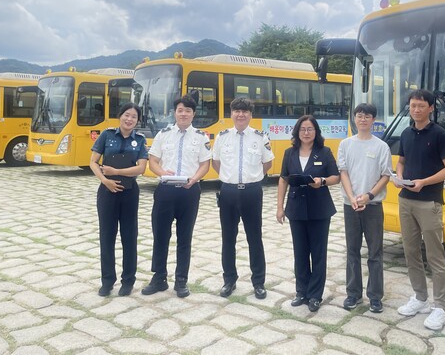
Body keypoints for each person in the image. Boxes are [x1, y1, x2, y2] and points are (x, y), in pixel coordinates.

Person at [393, 89, 445, 331]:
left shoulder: (439, 134)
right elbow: (401, 161)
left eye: (421, 106)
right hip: (405, 199)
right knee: (410, 252)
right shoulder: (406, 133)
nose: (416, 109)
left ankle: (440, 308)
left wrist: (424, 182)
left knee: (435, 255)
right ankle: (420, 298)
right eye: (413, 105)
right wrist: (399, 177)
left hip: (429, 202)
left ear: (431, 108)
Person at [141, 95, 211, 298]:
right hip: (165, 191)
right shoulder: (163, 134)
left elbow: (205, 164)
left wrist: (195, 179)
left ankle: (181, 280)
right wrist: (162, 173)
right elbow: (153, 161)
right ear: (175, 113)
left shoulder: (201, 137)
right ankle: (159, 278)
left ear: (193, 114)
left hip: (189, 191)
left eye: (188, 111)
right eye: (180, 110)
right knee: (160, 235)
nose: (184, 114)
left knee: (184, 237)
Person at [212, 97, 274, 299]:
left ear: (250, 115)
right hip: (228, 192)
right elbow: (216, 162)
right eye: (237, 111)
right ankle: (229, 279)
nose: (240, 115)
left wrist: (252, 178)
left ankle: (259, 282)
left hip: (252, 192)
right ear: (231, 114)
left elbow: (267, 164)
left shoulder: (260, 137)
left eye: (245, 111)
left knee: (254, 238)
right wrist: (229, 178)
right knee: (228, 238)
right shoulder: (222, 137)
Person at [276, 115, 340, 312]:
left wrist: (322, 181)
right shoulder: (289, 153)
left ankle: (315, 295)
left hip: (319, 208)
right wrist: (280, 207)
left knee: (318, 253)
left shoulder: (324, 152)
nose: (306, 133)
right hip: (296, 208)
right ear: (297, 132)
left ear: (316, 132)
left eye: (310, 129)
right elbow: (283, 179)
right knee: (300, 252)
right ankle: (301, 292)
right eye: (302, 129)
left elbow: (336, 177)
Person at [337, 103, 391, 313]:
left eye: (367, 116)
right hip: (350, 204)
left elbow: (385, 175)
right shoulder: (345, 144)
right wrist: (352, 197)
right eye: (359, 116)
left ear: (373, 120)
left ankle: (375, 297)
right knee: (352, 250)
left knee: (375, 252)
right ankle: (353, 294)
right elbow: (343, 172)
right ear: (354, 118)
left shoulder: (381, 146)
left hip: (373, 205)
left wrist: (368, 196)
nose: (363, 119)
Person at [90, 102, 148, 297]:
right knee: (107, 236)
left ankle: (128, 281)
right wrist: (105, 180)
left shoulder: (140, 140)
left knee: (129, 236)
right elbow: (93, 161)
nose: (129, 119)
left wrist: (116, 172)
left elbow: (141, 168)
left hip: (130, 192)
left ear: (137, 121)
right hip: (107, 192)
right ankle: (107, 281)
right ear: (120, 116)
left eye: (134, 116)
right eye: (126, 115)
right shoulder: (106, 135)